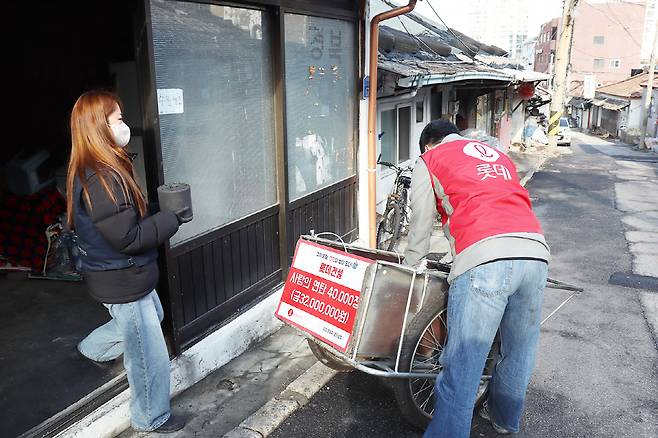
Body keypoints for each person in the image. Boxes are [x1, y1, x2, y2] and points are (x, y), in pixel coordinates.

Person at [404, 120, 550, 438]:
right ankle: (504, 421)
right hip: (535, 253)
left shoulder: (430, 160)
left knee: (463, 360)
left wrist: (411, 268)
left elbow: (420, 224)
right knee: (518, 349)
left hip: (486, 261)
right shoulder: (497, 155)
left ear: (428, 144)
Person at [66, 90, 191, 433]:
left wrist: (155, 211)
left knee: (151, 320)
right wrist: (172, 218)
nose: (125, 125)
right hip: (122, 279)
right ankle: (150, 418)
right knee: (149, 358)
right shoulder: (100, 176)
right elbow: (129, 238)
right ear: (98, 126)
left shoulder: (103, 166)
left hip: (121, 276)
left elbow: (126, 219)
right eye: (118, 119)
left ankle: (91, 348)